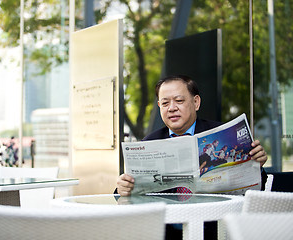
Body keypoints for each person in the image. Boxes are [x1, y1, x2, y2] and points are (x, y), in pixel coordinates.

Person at [115, 75, 268, 239]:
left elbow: (257, 189)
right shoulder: (149, 143)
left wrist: (255, 166)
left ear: (196, 103)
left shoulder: (222, 133)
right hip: (166, 232)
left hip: (215, 229)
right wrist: (123, 188)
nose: (172, 108)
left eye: (179, 101)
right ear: (159, 106)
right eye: (165, 103)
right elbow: (122, 196)